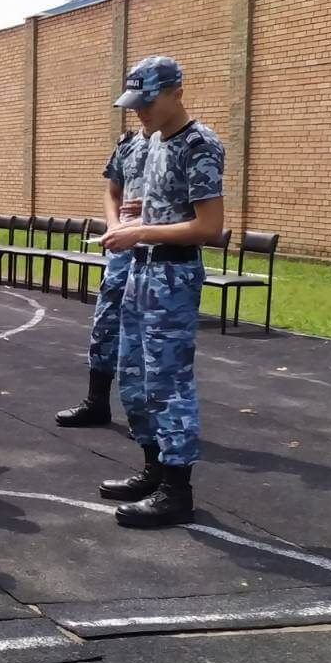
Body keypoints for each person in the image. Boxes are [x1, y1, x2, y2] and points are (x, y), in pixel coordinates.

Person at [98, 55, 224, 528]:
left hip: (172, 275)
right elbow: (163, 205)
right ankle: (153, 469)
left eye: (148, 103)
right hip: (141, 270)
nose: (140, 112)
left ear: (177, 94)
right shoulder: (153, 142)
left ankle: (176, 490)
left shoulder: (198, 144)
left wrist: (142, 231)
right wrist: (137, 215)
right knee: (134, 375)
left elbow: (209, 227)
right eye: (135, 104)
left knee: (169, 383)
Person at [56, 126, 148, 428]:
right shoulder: (129, 144)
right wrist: (115, 225)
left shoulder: (177, 143)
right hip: (122, 252)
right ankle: (97, 402)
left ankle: (146, 418)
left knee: (145, 336)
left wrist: (147, 217)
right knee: (105, 323)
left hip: (158, 253)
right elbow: (112, 192)